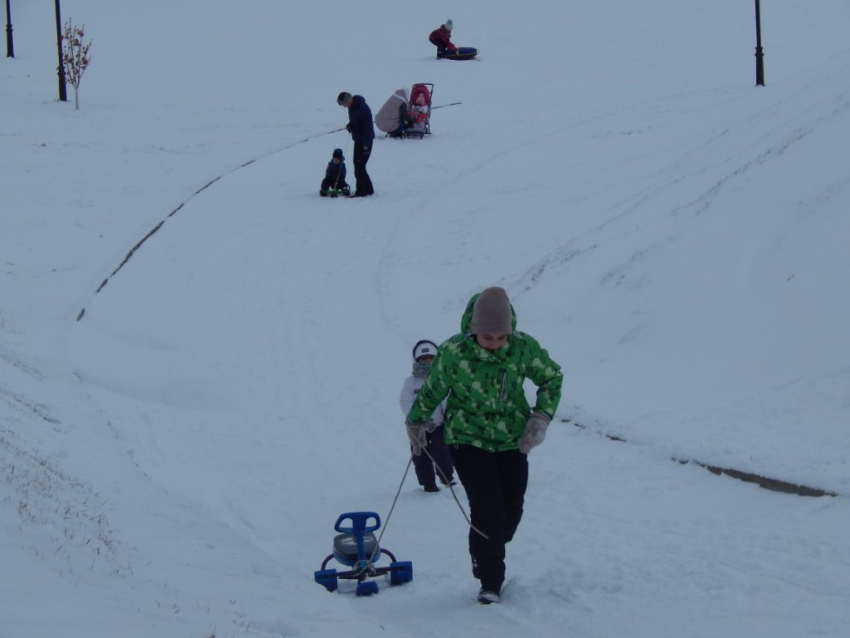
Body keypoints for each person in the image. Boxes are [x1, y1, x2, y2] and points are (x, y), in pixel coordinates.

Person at [405, 287, 563, 605]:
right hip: (467, 439)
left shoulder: (523, 348)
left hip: (511, 440)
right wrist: (416, 421)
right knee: (487, 509)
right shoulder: (453, 353)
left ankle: (491, 542)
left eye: (501, 337)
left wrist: (541, 416)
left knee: (511, 510)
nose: (494, 344)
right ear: (474, 331)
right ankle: (490, 580)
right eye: (487, 337)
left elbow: (552, 377)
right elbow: (433, 389)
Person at [399, 340, 456, 492]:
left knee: (443, 452)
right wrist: (416, 417)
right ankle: (427, 483)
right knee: (420, 455)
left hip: (439, 425)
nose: (427, 362)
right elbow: (405, 402)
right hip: (417, 427)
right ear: (416, 361)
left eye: (431, 358)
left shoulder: (443, 379)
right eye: (423, 359)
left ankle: (446, 476)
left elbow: (448, 399)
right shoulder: (411, 383)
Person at [337, 91, 375, 197]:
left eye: (344, 104)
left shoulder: (363, 108)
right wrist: (351, 126)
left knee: (359, 167)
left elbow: (368, 128)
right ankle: (369, 189)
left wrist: (366, 146)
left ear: (348, 101)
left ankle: (361, 191)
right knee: (359, 165)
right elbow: (356, 122)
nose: (344, 107)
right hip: (358, 140)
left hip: (365, 141)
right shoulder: (352, 108)